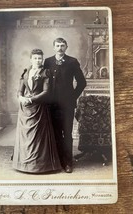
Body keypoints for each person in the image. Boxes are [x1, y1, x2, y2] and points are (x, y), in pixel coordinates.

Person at [13, 49, 61, 173]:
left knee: (38, 137)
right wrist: (21, 97)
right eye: (35, 58)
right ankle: (23, 164)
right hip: (25, 109)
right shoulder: (25, 72)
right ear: (31, 59)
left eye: (40, 58)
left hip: (39, 108)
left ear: (42, 59)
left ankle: (40, 166)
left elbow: (46, 92)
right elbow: (20, 90)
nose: (37, 60)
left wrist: (31, 100)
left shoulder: (46, 72)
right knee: (26, 137)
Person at [44, 38, 86, 173]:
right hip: (52, 105)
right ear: (53, 47)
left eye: (62, 45)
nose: (60, 48)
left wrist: (72, 97)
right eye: (57, 45)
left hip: (67, 105)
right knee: (55, 133)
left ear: (66, 47)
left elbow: (82, 82)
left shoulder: (72, 62)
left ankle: (68, 163)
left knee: (67, 133)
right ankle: (57, 162)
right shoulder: (48, 61)